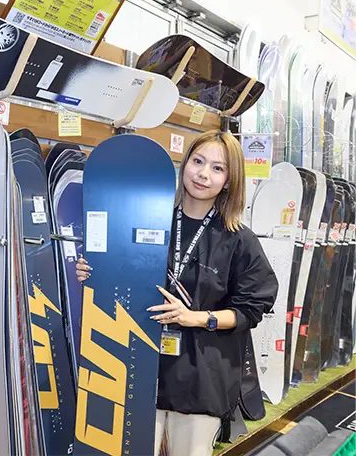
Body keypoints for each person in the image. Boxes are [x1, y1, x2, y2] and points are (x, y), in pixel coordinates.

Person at [76, 130, 278, 456]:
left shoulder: (239, 240)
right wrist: (92, 272)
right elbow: (119, 276)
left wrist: (196, 318)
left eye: (217, 168)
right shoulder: (150, 221)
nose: (203, 174)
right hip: (140, 369)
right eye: (198, 161)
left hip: (201, 378)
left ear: (229, 180)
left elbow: (252, 307)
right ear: (185, 165)